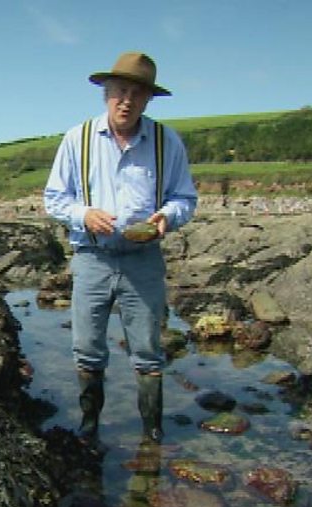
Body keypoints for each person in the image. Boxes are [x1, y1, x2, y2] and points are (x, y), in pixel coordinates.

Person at [44, 51, 197, 445]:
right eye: (120, 91)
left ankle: (152, 432)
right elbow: (54, 198)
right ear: (106, 93)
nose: (127, 101)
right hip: (91, 258)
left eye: (137, 93)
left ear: (148, 100)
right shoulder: (76, 140)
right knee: (86, 348)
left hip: (143, 260)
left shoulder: (166, 141)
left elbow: (185, 198)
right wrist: (83, 214)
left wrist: (167, 217)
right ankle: (90, 426)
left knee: (148, 350)